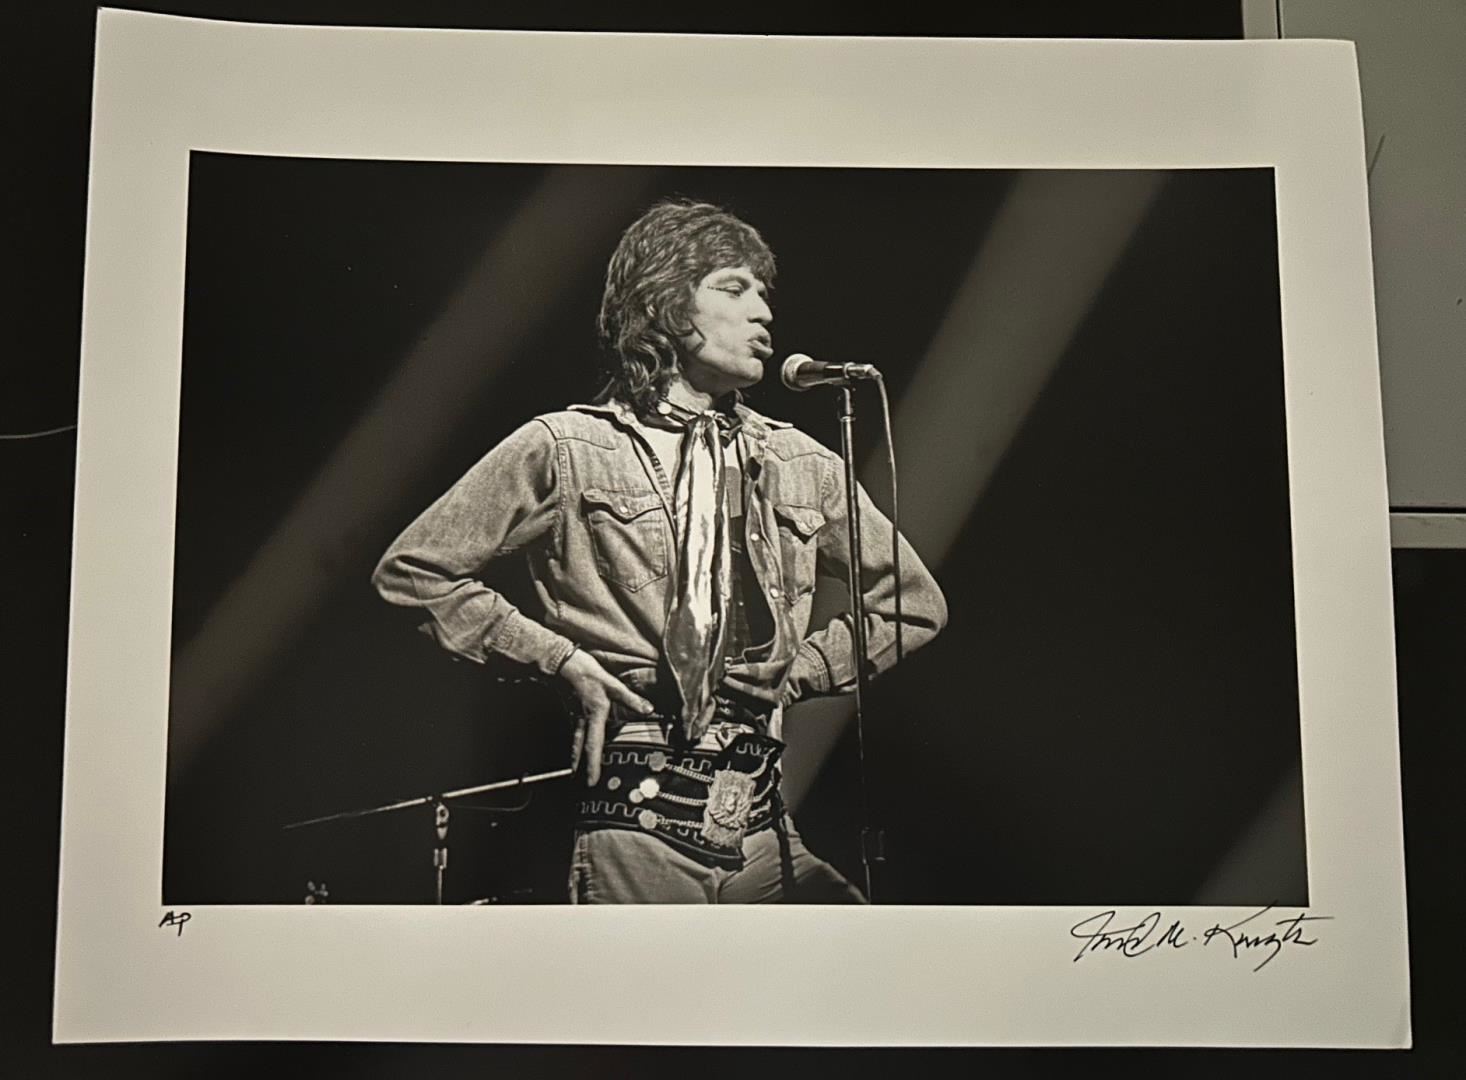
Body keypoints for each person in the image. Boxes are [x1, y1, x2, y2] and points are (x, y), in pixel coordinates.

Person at [372, 197, 946, 903]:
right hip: (637, 821)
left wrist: (797, 672)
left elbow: (913, 604)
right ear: (666, 304)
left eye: (765, 294)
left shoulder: (802, 463)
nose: (764, 312)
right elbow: (414, 571)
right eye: (734, 289)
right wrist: (561, 661)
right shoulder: (568, 447)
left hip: (764, 824)